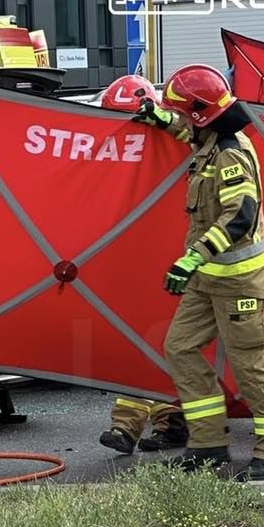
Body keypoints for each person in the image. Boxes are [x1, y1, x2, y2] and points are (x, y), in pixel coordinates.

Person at [134, 64, 264, 481]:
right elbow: (190, 135)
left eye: (183, 113)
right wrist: (160, 119)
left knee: (248, 364)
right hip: (208, 278)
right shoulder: (210, 140)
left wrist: (192, 257)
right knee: (180, 348)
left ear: (202, 114)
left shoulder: (231, 153)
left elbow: (240, 216)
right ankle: (208, 446)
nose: (182, 121)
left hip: (237, 280)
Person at [93, 75, 189, 457]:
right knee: (144, 343)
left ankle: (142, 424)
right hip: (129, 261)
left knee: (162, 343)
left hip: (168, 259)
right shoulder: (109, 151)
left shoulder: (173, 141)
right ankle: (158, 422)